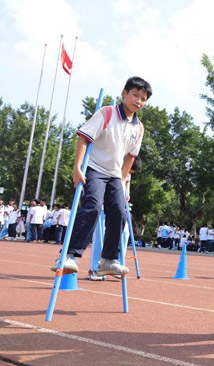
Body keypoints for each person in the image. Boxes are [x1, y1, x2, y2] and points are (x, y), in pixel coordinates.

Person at [51, 76, 151, 276]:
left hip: (115, 175)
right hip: (95, 169)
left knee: (119, 212)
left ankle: (108, 259)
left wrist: (122, 181)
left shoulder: (138, 128)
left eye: (143, 98)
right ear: (124, 94)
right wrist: (77, 168)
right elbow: (84, 138)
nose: (138, 101)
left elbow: (131, 156)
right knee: (93, 206)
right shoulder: (107, 113)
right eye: (135, 95)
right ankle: (69, 254)